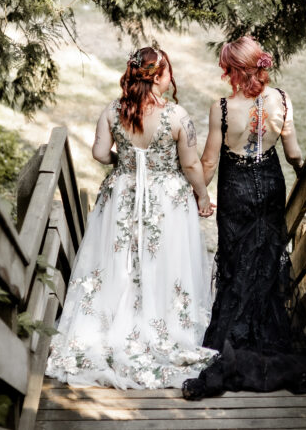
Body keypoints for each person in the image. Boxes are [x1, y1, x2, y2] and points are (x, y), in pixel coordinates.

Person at [182, 37, 306, 410]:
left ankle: (236, 338)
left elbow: (208, 163)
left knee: (237, 261)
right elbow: (294, 153)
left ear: (233, 70)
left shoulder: (221, 108)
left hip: (236, 191)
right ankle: (262, 330)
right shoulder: (282, 100)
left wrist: (195, 195)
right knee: (267, 260)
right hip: (271, 186)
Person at [45, 47, 217, 388]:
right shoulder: (178, 117)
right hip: (166, 201)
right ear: (156, 76)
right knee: (164, 259)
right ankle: (164, 323)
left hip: (122, 195)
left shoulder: (112, 111)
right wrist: (202, 194)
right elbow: (191, 165)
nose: (172, 78)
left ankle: (111, 322)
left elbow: (97, 152)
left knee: (119, 259)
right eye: (168, 72)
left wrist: (122, 164)